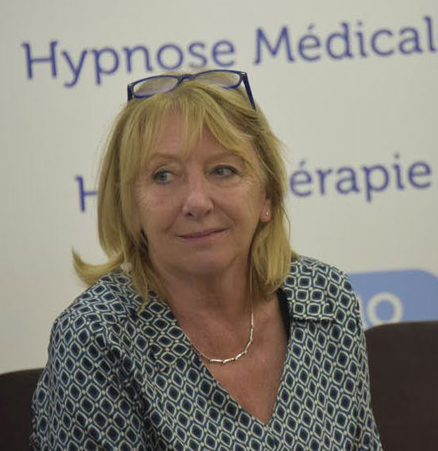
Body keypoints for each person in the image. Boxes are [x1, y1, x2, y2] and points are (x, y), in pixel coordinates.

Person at [30, 70, 383, 450]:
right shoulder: (96, 338)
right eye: (163, 176)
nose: (197, 202)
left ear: (267, 196)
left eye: (223, 170)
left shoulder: (324, 298)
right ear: (130, 207)